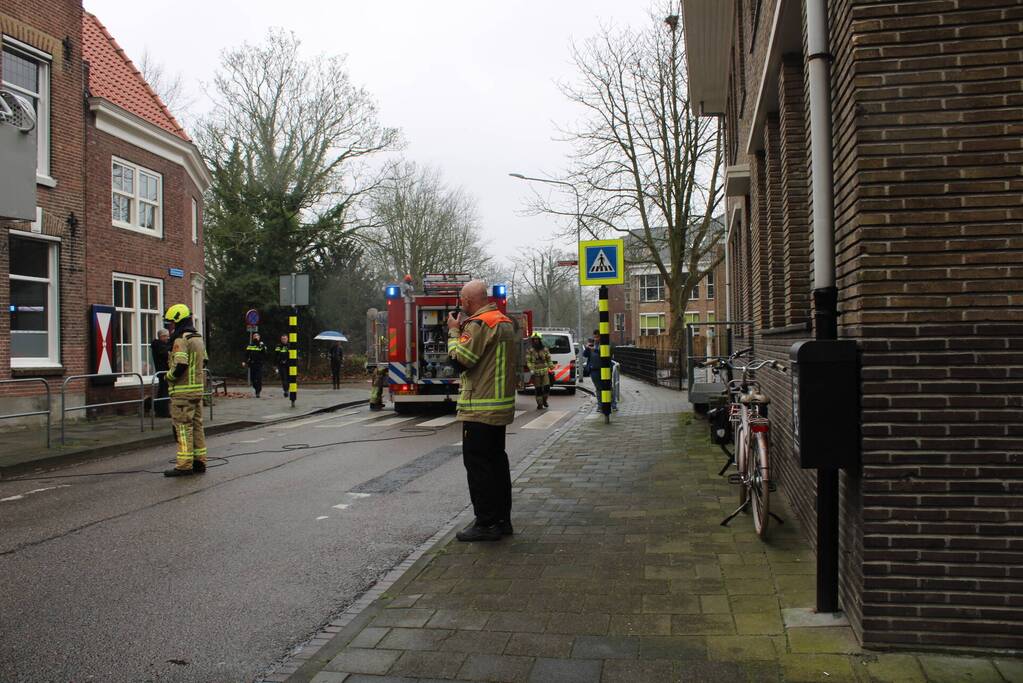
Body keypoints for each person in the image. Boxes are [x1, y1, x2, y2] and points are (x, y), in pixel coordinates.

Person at [447, 280, 518, 542]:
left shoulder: (479, 324)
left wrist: (454, 333)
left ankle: (485, 524)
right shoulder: (503, 321)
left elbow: (460, 359)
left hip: (479, 408)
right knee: (497, 464)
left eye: (463, 300)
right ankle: (501, 520)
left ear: (468, 301)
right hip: (499, 407)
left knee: (479, 468)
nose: (461, 304)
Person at [162, 303, 208, 477]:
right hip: (197, 391)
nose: (170, 327)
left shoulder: (181, 339)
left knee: (182, 427)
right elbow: (205, 361)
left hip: (182, 392)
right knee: (197, 426)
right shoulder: (197, 337)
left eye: (171, 323)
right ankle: (200, 461)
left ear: (178, 321)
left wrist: (169, 377)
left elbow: (180, 364)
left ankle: (184, 465)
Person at [525, 333, 553, 410]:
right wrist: (531, 369)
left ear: (540, 340)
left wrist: (551, 366)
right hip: (536, 372)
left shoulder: (545, 349)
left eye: (537, 339)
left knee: (547, 387)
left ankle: (544, 401)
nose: (536, 341)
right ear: (532, 341)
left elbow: (548, 359)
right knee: (538, 389)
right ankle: (540, 404)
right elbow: (528, 361)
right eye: (534, 339)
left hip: (544, 371)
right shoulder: (530, 350)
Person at [150, 328, 171, 418]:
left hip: (162, 371)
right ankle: (163, 411)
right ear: (162, 336)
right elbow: (165, 354)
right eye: (166, 336)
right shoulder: (159, 345)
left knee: (162, 390)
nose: (167, 338)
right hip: (163, 371)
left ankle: (159, 409)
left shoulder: (159, 345)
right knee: (164, 391)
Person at [243, 333, 267, 398]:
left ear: (259, 337)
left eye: (257, 336)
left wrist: (262, 346)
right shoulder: (250, 345)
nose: (256, 337)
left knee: (258, 378)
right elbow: (246, 354)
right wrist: (244, 361)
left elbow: (265, 353)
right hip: (252, 364)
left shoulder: (262, 345)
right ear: (253, 338)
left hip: (259, 364)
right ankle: (256, 387)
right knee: (253, 378)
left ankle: (258, 392)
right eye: (254, 336)